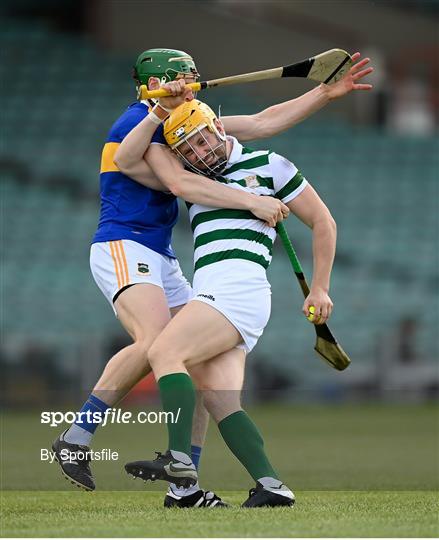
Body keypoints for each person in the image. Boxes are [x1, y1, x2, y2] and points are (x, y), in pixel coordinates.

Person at [52, 48, 373, 508]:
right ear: (159, 81)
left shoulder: (194, 124)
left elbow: (262, 123)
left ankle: (187, 485)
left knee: (201, 375)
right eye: (185, 75)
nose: (195, 81)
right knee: (158, 344)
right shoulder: (142, 121)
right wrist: (252, 201)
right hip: (126, 241)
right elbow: (150, 170)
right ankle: (77, 437)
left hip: (164, 254)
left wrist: (322, 93)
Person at [121, 99, 337, 507]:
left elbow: (324, 221)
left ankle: (179, 459)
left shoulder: (270, 164)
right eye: (190, 150)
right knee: (220, 397)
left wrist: (320, 288)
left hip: (238, 288)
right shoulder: (194, 178)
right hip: (218, 291)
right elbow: (130, 159)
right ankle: (272, 487)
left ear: (220, 129)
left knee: (165, 351)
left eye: (204, 141)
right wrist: (158, 111)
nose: (201, 153)